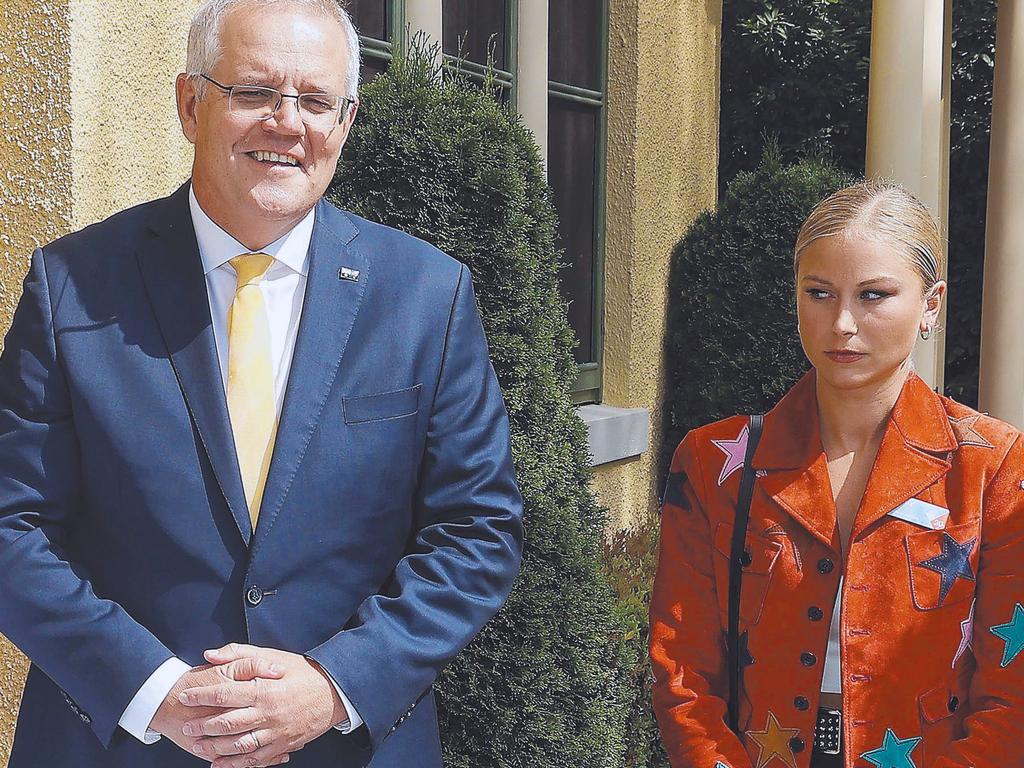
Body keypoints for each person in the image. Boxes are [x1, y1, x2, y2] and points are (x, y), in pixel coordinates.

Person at [0, 1, 523, 766]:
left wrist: (334, 682)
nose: (287, 123)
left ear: (344, 123)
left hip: (343, 745)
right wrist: (154, 691)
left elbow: (477, 531)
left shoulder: (425, 296)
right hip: (119, 743)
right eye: (254, 92)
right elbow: (11, 524)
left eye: (315, 100)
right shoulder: (73, 286)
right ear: (190, 103)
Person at [650, 181, 1024, 768]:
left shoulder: (995, 468)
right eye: (819, 293)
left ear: (931, 304)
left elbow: (1012, 697)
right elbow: (682, 674)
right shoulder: (712, 462)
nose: (843, 323)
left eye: (873, 295)